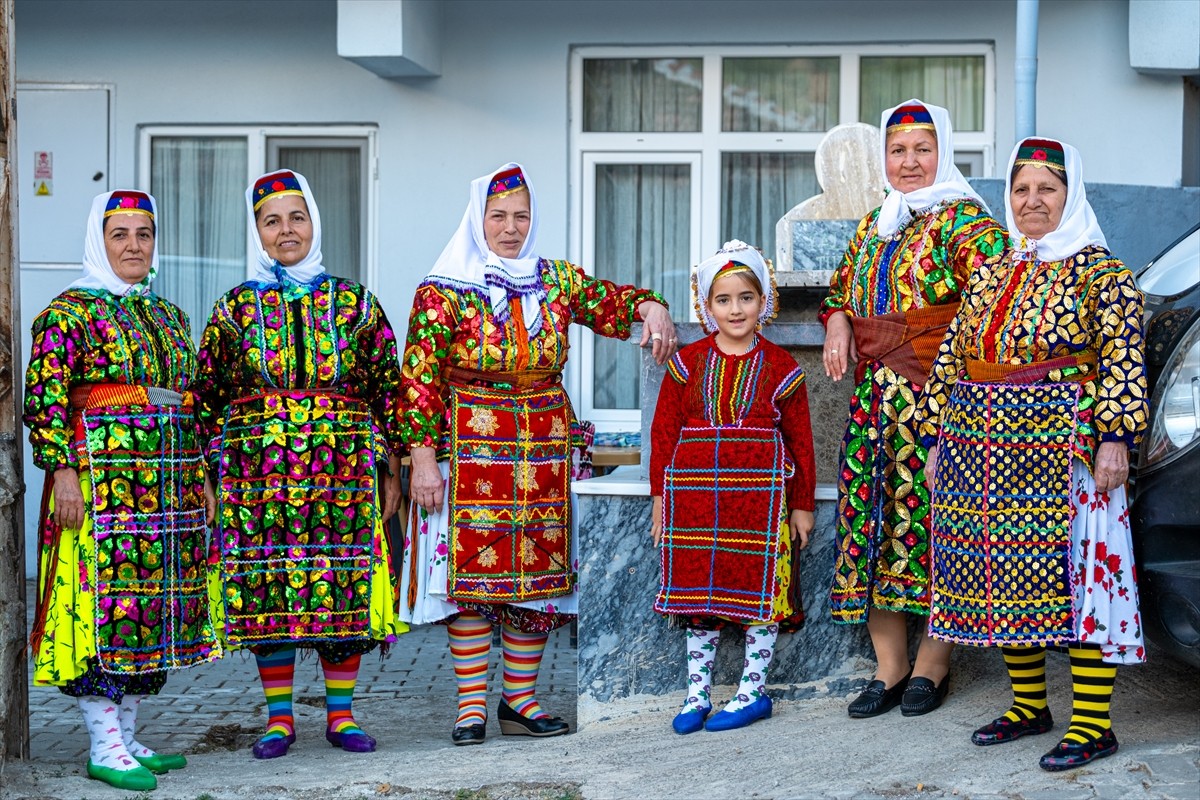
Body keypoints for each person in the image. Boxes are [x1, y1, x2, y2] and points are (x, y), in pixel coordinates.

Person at [398, 162, 676, 745]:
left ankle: (519, 701)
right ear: (478, 219)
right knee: (466, 583)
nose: (511, 227)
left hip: (544, 450)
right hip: (467, 449)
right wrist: (422, 458)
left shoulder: (555, 281)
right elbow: (418, 378)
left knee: (540, 579)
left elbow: (610, 303)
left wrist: (651, 307)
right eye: (498, 216)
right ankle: (470, 707)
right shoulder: (442, 289)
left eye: (521, 215)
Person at [918, 137, 1148, 770]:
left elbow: (1126, 360)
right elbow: (953, 358)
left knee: (1078, 580)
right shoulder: (993, 271)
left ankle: (1094, 724)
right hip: (983, 448)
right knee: (1002, 580)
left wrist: (1114, 439)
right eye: (1021, 190)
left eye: (1047, 188)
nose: (1032, 200)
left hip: (1064, 452)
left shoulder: (1104, 274)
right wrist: (939, 437)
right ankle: (1029, 707)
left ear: (1071, 195)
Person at [196, 170, 405, 760]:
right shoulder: (235, 309)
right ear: (258, 232)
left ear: (314, 223)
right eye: (271, 221)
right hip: (257, 478)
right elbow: (206, 396)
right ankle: (279, 720)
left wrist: (391, 465)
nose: (286, 231)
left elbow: (389, 388)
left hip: (342, 473)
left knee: (341, 585)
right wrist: (210, 473)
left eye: (296, 218)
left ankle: (341, 716)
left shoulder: (357, 303)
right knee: (269, 593)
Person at [24, 190, 220, 791]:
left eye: (144, 234)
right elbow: (45, 400)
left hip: (166, 487)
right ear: (99, 241)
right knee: (102, 610)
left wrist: (204, 475)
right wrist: (62, 471)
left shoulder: (168, 316)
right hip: (99, 489)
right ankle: (103, 745)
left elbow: (189, 403)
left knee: (146, 613)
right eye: (120, 234)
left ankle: (128, 737)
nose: (133, 245)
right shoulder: (68, 313)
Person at [822, 99, 1007, 718]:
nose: (909, 161)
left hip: (939, 404)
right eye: (897, 150)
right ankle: (890, 666)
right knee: (872, 524)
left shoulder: (965, 224)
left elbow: (997, 298)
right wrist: (838, 322)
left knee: (938, 527)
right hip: (873, 408)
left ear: (943, 152)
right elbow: (837, 292)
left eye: (922, 148)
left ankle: (934, 663)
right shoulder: (878, 223)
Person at [649, 241, 816, 734]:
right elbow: (664, 434)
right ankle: (697, 693)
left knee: (759, 595)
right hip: (695, 501)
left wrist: (801, 506)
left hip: (759, 504)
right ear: (706, 304)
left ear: (763, 301)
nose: (735, 309)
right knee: (699, 597)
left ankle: (752, 692)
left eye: (746, 297)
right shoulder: (687, 362)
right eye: (723, 299)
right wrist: (661, 499)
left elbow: (801, 441)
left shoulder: (782, 367)